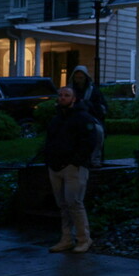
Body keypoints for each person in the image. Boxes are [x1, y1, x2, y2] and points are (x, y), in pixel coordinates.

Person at [43, 86, 99, 253]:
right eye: (60, 95)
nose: (62, 98)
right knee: (63, 205)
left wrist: (77, 161)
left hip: (73, 167)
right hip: (56, 166)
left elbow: (90, 141)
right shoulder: (56, 119)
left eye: (66, 95)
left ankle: (83, 238)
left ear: (74, 98)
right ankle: (67, 238)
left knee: (74, 203)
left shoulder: (82, 118)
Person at [70, 65, 107, 167]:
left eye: (81, 78)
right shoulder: (70, 90)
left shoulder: (93, 90)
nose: (79, 80)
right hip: (72, 119)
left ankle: (95, 159)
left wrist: (88, 105)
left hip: (91, 118)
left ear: (86, 77)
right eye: (77, 78)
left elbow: (101, 107)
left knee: (98, 132)